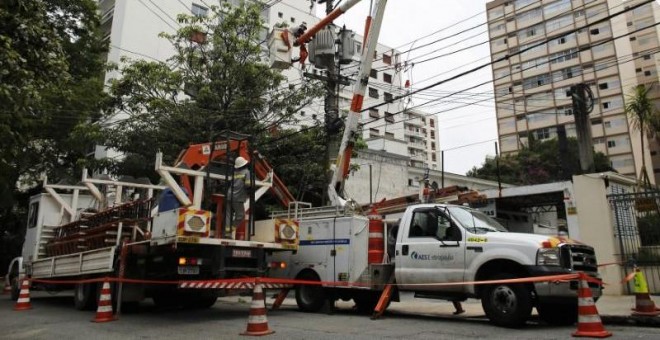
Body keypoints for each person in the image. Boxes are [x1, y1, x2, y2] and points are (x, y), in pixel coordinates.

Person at [227, 156, 250, 239]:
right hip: (238, 197)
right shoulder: (247, 172)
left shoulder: (234, 172)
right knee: (240, 216)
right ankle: (230, 230)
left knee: (228, 215)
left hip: (229, 195)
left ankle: (226, 233)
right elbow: (248, 185)